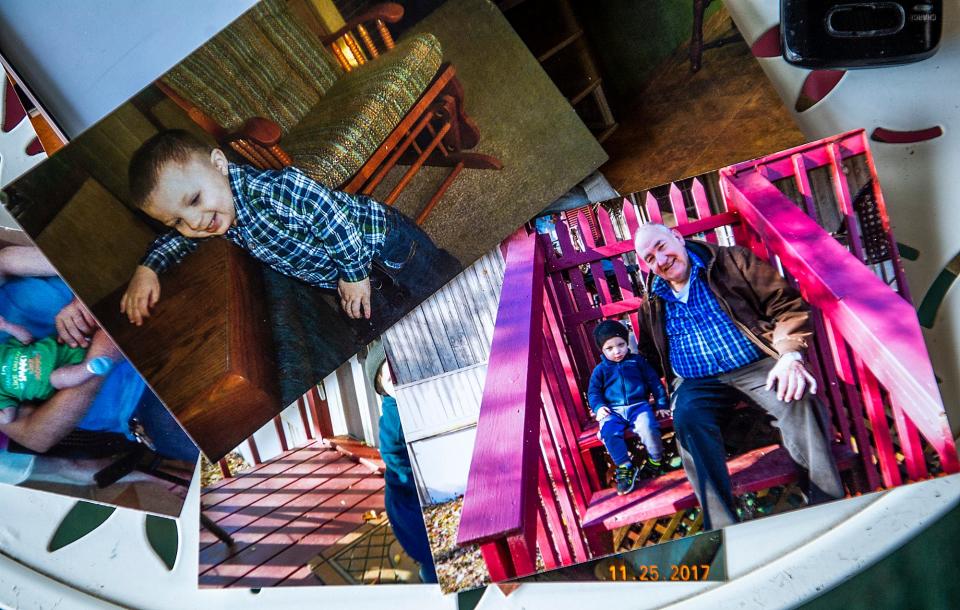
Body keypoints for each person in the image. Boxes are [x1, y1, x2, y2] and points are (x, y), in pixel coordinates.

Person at [120, 130, 462, 333]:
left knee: (437, 280)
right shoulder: (217, 214)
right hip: (350, 275)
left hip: (384, 245)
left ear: (220, 165)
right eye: (178, 220)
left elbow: (331, 216)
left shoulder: (271, 191)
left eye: (193, 200)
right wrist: (147, 267)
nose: (194, 223)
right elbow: (175, 242)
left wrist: (354, 273)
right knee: (397, 315)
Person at [633, 223, 844, 530]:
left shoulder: (732, 262)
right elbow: (650, 353)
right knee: (688, 418)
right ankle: (723, 529)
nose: (661, 260)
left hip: (756, 365)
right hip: (696, 382)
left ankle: (828, 510)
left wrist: (789, 354)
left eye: (661, 247)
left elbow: (786, 306)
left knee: (796, 397)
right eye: (650, 258)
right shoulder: (653, 301)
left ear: (677, 237)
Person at [364, 341, 438, 584]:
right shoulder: (397, 421)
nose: (396, 378)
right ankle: (431, 580)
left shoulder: (415, 397)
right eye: (388, 379)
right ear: (384, 390)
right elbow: (394, 456)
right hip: (409, 498)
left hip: (415, 493)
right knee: (431, 554)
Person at [587, 320, 669, 496]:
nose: (617, 351)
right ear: (601, 350)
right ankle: (625, 466)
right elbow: (593, 392)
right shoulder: (600, 370)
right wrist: (599, 406)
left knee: (648, 427)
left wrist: (662, 403)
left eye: (621, 345)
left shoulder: (638, 362)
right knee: (608, 432)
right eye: (609, 348)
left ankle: (655, 460)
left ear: (627, 342)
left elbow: (654, 382)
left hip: (639, 407)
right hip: (613, 411)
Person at [0, 313, 115, 424]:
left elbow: (26, 338)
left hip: (62, 347)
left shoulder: (3, 350)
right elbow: (7, 418)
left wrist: (7, 326)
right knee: (57, 378)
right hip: (57, 378)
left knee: (84, 327)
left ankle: (100, 329)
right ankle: (90, 368)